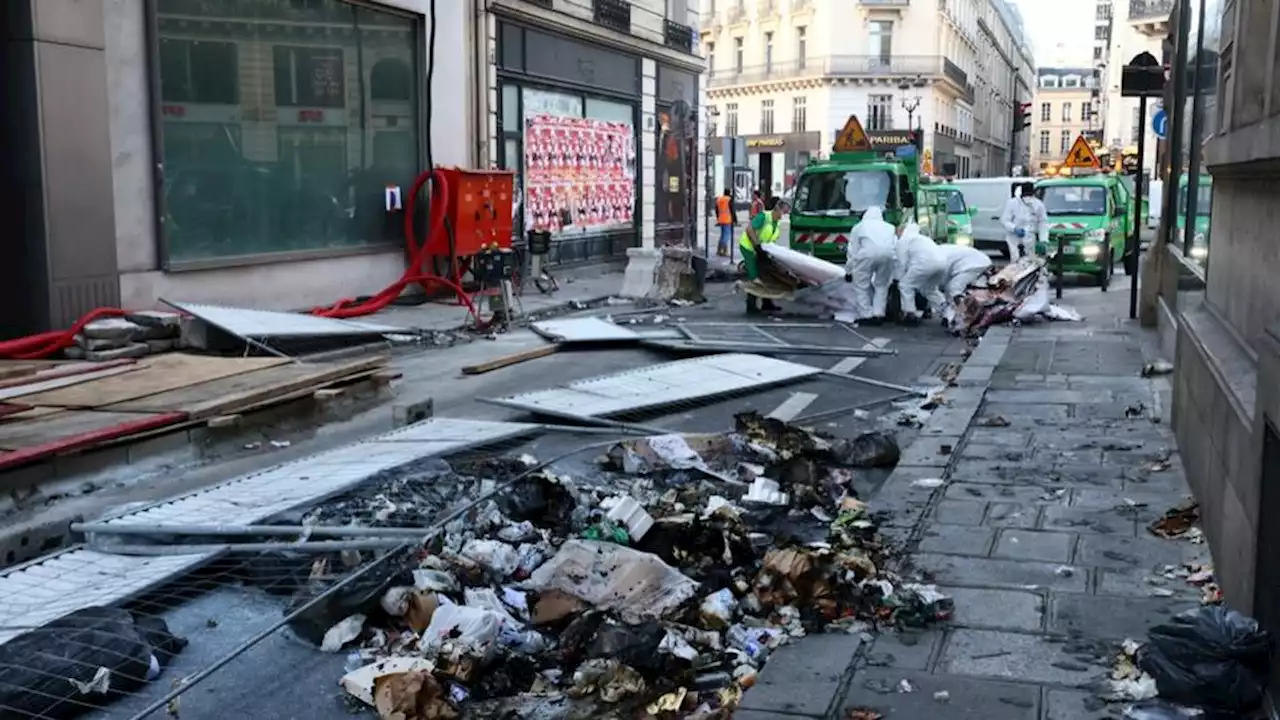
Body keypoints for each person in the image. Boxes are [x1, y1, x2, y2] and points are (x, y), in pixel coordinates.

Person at [843, 205, 897, 324]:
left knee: (861, 285)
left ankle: (866, 314)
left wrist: (848, 271)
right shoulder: (890, 227)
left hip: (866, 255)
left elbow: (853, 251)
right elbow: (895, 245)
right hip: (887, 255)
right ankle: (878, 313)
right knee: (882, 284)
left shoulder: (859, 227)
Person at [741, 195, 789, 314]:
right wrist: (756, 244)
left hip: (761, 250)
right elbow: (749, 229)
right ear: (777, 209)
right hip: (749, 248)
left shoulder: (776, 223)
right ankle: (750, 305)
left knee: (766, 274)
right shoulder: (764, 216)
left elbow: (770, 239)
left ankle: (767, 302)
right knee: (754, 276)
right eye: (782, 212)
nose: (782, 216)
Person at [894, 222, 948, 326]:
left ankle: (909, 314)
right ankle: (947, 312)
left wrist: (898, 278)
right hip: (942, 262)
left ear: (903, 230)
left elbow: (902, 262)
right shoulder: (922, 238)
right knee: (929, 289)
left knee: (905, 286)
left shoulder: (904, 240)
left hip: (925, 263)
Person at [935, 243, 995, 325]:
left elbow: (949, 288)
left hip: (973, 264)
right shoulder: (931, 252)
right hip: (974, 261)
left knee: (954, 289)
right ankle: (953, 315)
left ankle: (961, 316)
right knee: (952, 289)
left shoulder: (930, 259)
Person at [999, 182, 1047, 260]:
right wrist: (1014, 228)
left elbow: (1043, 222)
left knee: (1030, 260)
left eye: (1029, 195)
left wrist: (1043, 239)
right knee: (1016, 258)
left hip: (1030, 237)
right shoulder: (1013, 203)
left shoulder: (1038, 204)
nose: (1028, 198)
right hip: (1014, 237)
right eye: (1026, 195)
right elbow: (1004, 220)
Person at [715, 188, 734, 257]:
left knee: (723, 235)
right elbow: (732, 210)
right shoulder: (729, 199)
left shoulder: (719, 199)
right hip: (727, 219)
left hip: (721, 219)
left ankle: (721, 250)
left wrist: (718, 218)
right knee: (726, 236)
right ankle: (722, 250)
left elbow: (716, 210)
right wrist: (735, 220)